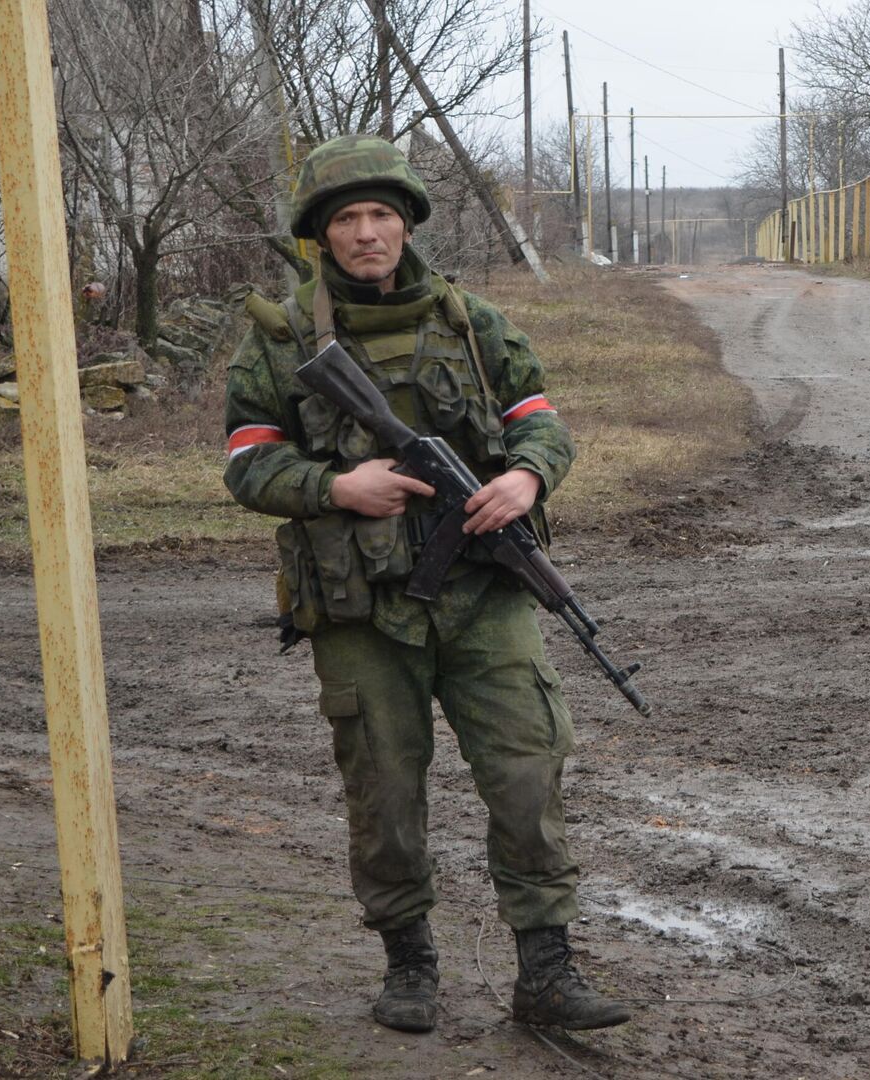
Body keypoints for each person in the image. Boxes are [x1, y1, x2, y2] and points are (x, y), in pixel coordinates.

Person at [223, 134, 628, 1035]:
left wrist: (525, 478)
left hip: (484, 594)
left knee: (528, 772)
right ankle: (409, 963)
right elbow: (249, 465)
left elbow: (541, 423)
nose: (367, 233)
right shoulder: (281, 337)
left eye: (382, 215)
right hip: (362, 609)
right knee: (385, 791)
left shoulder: (471, 321)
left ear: (406, 224)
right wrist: (337, 487)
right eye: (347, 219)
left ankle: (547, 970)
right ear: (320, 235)